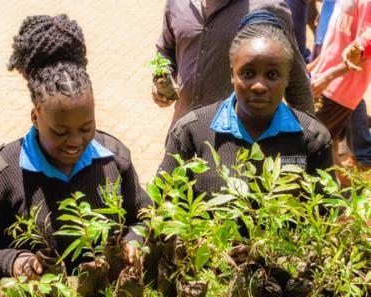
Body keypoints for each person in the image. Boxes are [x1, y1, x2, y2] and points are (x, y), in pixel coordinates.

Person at [0, 14, 151, 279]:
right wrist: (14, 262)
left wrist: (134, 239)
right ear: (35, 117)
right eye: (60, 132)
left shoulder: (115, 160)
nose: (75, 142)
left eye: (86, 128)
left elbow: (142, 216)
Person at [158, 10, 333, 199]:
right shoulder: (191, 132)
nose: (259, 86)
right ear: (232, 74)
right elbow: (162, 210)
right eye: (248, 73)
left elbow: (324, 217)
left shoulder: (313, 139)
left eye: (272, 75)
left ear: (288, 78)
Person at [152, 0, 315, 127]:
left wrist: (310, 145)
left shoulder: (266, 8)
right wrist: (162, 78)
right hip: (182, 132)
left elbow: (297, 84)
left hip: (237, 148)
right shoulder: (177, 3)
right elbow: (166, 49)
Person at [309, 0, 371, 171]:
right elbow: (336, 41)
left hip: (340, 88)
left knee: (308, 145)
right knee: (324, 145)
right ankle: (342, 188)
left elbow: (361, 50)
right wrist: (316, 65)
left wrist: (328, 77)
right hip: (324, 79)